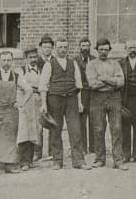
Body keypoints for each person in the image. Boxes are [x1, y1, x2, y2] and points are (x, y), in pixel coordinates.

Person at [39, 38, 87, 170]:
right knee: (56, 129)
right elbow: (43, 86)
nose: (63, 50)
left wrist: (79, 102)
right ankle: (57, 161)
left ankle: (78, 161)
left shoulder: (73, 63)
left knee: (75, 129)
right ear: (55, 48)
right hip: (55, 99)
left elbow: (78, 84)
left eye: (65, 47)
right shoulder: (50, 64)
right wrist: (44, 104)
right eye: (60, 47)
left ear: (68, 48)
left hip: (71, 98)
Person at [86, 38, 127, 169]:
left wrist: (103, 79)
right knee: (98, 129)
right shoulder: (91, 65)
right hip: (97, 98)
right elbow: (92, 84)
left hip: (114, 97)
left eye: (106, 49)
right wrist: (111, 81)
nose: (103, 52)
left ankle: (118, 160)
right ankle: (100, 159)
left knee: (116, 128)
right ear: (96, 50)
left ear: (109, 50)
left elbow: (121, 82)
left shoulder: (115, 64)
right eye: (101, 49)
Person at [16, 46, 42, 171]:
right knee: (24, 131)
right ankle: (23, 161)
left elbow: (44, 85)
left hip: (37, 102)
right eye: (30, 57)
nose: (33, 59)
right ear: (26, 59)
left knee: (35, 130)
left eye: (35, 57)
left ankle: (31, 159)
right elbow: (24, 85)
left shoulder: (41, 69)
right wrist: (34, 87)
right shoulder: (21, 70)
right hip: (25, 102)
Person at [36, 34, 56, 161]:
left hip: (52, 95)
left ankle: (52, 151)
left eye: (49, 47)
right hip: (39, 95)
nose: (47, 49)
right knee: (39, 124)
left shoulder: (55, 61)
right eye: (44, 47)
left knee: (52, 122)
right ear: (40, 48)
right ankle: (37, 152)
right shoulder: (36, 61)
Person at [75, 38, 94, 160]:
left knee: (93, 120)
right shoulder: (75, 61)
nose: (85, 48)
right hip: (81, 93)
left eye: (87, 45)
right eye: (83, 45)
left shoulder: (94, 60)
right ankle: (82, 148)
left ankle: (93, 148)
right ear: (79, 47)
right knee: (81, 121)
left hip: (93, 93)